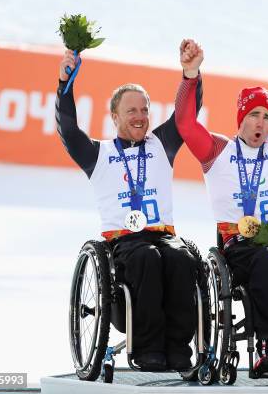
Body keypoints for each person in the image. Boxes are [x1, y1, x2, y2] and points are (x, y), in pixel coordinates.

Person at [173, 25, 268, 375]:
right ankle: (264, 346)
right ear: (241, 118)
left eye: (267, 117)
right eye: (254, 115)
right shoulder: (217, 151)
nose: (261, 123)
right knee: (265, 261)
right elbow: (185, 124)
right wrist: (190, 76)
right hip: (240, 245)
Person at [55, 49, 204, 371]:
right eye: (131, 110)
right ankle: (147, 348)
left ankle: (178, 347)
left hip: (163, 235)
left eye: (144, 110)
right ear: (115, 117)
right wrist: (64, 85)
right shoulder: (99, 154)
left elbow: (187, 116)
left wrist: (190, 76)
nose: (139, 116)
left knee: (182, 259)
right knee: (146, 258)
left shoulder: (161, 143)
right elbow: (68, 129)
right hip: (125, 241)